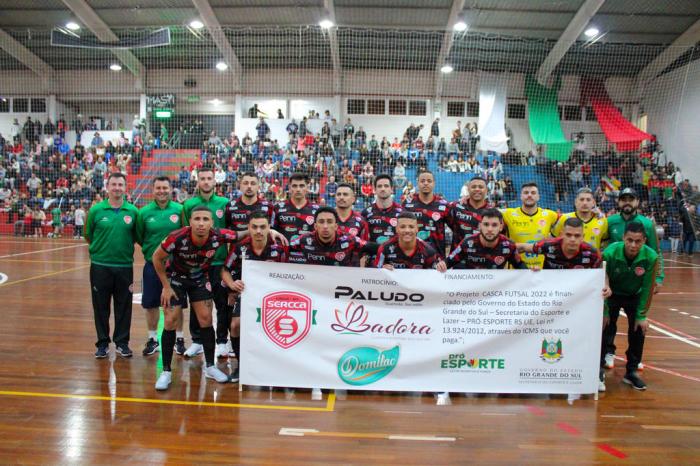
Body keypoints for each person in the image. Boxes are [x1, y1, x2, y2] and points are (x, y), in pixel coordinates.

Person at [289, 207, 378, 400]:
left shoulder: (349, 240)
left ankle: (351, 375)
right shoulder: (303, 241)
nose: (325, 226)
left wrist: (384, 265)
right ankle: (313, 377)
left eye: (330, 222)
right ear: (315, 225)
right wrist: (272, 232)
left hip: (342, 300)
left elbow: (376, 248)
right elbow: (278, 247)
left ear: (337, 226)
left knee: (345, 338)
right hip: (314, 299)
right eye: (321, 222)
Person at [152, 206, 241, 390]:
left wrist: (270, 230)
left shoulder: (219, 235)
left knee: (206, 319)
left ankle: (209, 366)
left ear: (212, 223)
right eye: (197, 219)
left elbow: (241, 234)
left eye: (205, 219)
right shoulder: (176, 237)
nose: (201, 223)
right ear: (190, 222)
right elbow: (156, 258)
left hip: (200, 279)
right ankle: (166, 371)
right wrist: (166, 287)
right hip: (175, 279)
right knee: (170, 320)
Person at [221, 212, 289, 383]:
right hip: (248, 294)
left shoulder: (279, 247)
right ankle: (241, 366)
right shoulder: (240, 247)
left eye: (263, 227)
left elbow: (291, 272)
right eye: (254, 227)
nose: (258, 231)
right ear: (249, 228)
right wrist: (231, 284)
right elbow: (225, 270)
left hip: (274, 296)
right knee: (235, 325)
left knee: (278, 328)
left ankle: (276, 366)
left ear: (269, 228)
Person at [84, 172, 139, 358]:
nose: (117, 188)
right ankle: (102, 343)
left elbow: (136, 236)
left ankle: (122, 343)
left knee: (124, 306)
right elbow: (88, 235)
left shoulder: (133, 211)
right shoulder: (96, 211)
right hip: (100, 266)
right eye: (113, 184)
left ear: (125, 187)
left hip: (124, 266)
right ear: (108, 187)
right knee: (100, 306)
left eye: (120, 184)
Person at [600, 222, 659, 391]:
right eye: (630, 240)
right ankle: (598, 370)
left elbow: (648, 288)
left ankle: (631, 372)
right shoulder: (610, 253)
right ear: (623, 238)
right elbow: (601, 279)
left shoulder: (651, 257)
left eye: (638, 241)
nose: (633, 245)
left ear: (644, 240)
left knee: (640, 328)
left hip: (634, 295)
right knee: (603, 326)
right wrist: (604, 311)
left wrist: (642, 315)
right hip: (611, 294)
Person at [181, 166, 231, 358]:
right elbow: (185, 232)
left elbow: (229, 232)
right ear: (198, 181)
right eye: (202, 179)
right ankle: (197, 341)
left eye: (209, 178)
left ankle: (222, 341)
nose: (206, 182)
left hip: (219, 262)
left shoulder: (225, 204)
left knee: (221, 302)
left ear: (214, 181)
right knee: (197, 301)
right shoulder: (189, 205)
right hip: (197, 263)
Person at [135, 177, 186, 357]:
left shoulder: (180, 210)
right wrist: (153, 252)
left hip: (176, 266)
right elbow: (140, 237)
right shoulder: (144, 213)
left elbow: (185, 233)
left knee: (177, 303)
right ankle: (152, 339)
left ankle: (179, 339)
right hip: (152, 264)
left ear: (171, 189)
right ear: (153, 190)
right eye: (158, 188)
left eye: (165, 188)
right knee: (151, 303)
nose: (162, 191)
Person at [607, 188, 664, 293]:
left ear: (637, 202)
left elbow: (656, 252)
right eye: (624, 199)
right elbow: (604, 248)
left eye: (631, 199)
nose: (627, 202)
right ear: (618, 202)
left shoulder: (647, 224)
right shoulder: (609, 222)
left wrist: (658, 278)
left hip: (637, 281)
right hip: (614, 279)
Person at [501, 182, 559, 269]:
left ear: (538, 197)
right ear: (520, 196)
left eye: (533, 193)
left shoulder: (550, 215)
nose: (529, 195)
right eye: (526, 193)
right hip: (515, 271)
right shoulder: (507, 214)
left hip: (541, 270)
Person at [446, 209, 526, 270]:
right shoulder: (468, 243)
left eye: (494, 225)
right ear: (480, 226)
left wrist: (533, 272)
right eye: (486, 224)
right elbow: (448, 262)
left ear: (501, 227)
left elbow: (520, 265)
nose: (490, 229)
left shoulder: (509, 246)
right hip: (470, 290)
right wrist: (441, 265)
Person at [518, 217, 602, 270]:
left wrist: (606, 285)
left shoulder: (593, 254)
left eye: (577, 236)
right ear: (562, 234)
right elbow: (523, 247)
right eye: (568, 235)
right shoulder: (548, 245)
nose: (572, 239)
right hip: (551, 292)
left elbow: (601, 274)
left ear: (582, 237)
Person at [375, 211, 446, 271]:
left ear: (417, 229)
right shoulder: (384, 248)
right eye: (402, 227)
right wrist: (381, 270)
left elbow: (434, 278)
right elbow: (374, 273)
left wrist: (440, 267)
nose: (407, 230)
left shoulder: (428, 251)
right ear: (396, 229)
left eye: (411, 227)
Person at [402, 171, 451, 256]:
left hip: (437, 257)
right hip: (412, 257)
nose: (425, 183)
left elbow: (455, 228)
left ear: (434, 183)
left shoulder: (443, 204)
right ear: (417, 183)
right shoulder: (407, 204)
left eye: (429, 181)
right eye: (422, 181)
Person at [272, 172, 320, 242]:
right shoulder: (277, 208)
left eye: (302, 186)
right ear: (289, 187)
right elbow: (271, 231)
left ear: (307, 187)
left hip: (307, 252)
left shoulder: (317, 210)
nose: (298, 189)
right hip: (283, 252)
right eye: (294, 186)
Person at [448, 176, 494, 248]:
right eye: (473, 187)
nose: (477, 189)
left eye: (481, 187)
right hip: (458, 257)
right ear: (468, 189)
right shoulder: (456, 207)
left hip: (482, 256)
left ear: (486, 190)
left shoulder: (493, 212)